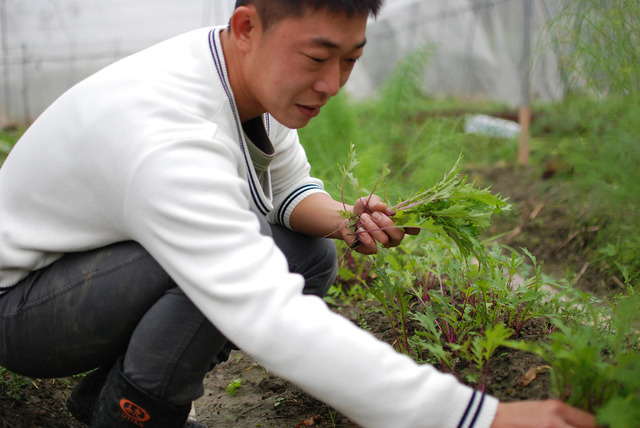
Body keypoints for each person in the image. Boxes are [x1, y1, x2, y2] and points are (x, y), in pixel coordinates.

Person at [0, 1, 597, 427]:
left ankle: (113, 393)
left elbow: (287, 190)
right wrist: (476, 418)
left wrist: (343, 218)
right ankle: (136, 412)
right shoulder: (170, 136)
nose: (332, 82)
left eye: (351, 60)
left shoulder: (236, 75)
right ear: (247, 26)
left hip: (83, 273)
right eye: (317, 57)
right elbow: (268, 313)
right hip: (19, 307)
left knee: (308, 249)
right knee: (226, 264)